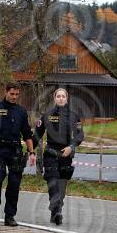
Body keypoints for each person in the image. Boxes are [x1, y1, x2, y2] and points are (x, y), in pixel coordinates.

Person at [0, 83, 36, 226]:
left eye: (17, 94)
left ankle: (9, 216)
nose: (14, 97)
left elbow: (27, 134)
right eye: (12, 94)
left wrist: (32, 152)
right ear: (6, 92)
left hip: (15, 150)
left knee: (14, 184)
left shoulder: (22, 112)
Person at [32, 88, 84, 225]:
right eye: (58, 96)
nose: (61, 98)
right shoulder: (46, 115)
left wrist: (71, 146)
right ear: (54, 99)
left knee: (61, 187)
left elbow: (79, 135)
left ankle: (56, 206)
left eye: (63, 96)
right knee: (53, 183)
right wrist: (30, 151)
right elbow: (37, 135)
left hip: (66, 154)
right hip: (50, 153)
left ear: (67, 99)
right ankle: (57, 212)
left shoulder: (74, 116)